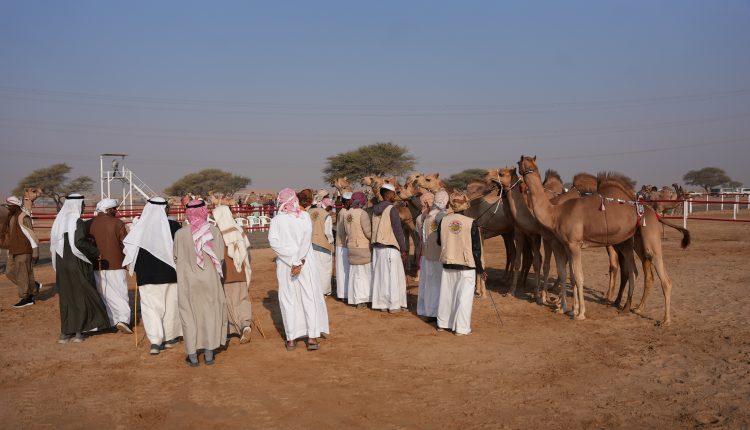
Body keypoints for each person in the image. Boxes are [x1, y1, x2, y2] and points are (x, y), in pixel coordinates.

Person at [268, 188, 329, 351]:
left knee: (288, 299)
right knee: (309, 296)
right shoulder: (303, 217)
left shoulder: (276, 221)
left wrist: (291, 260)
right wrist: (297, 261)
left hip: (285, 264)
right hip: (304, 263)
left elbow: (274, 243)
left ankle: (291, 339)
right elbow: (305, 241)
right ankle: (312, 337)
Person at [122, 197, 183, 355]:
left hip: (147, 275)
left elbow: (130, 252)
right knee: (171, 306)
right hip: (171, 274)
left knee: (151, 309)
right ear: (165, 209)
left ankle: (156, 342)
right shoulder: (174, 226)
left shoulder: (139, 228)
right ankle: (170, 338)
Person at [50, 194, 110, 343]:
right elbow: (79, 242)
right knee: (82, 295)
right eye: (82, 205)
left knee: (66, 297)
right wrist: (96, 252)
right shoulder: (76, 222)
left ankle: (65, 333)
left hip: (62, 264)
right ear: (77, 205)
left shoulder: (58, 222)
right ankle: (78, 332)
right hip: (77, 263)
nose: (83, 208)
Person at [174, 200, 228, 367]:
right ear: (205, 211)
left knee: (189, 315)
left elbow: (175, 257)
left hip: (188, 282)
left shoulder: (180, 234)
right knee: (210, 314)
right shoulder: (214, 231)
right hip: (210, 280)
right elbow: (220, 257)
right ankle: (209, 354)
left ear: (188, 214)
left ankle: (193, 356)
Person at [436, 202, 488, 336]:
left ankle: (443, 324)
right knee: (464, 298)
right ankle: (461, 328)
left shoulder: (443, 221)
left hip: (448, 263)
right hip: (466, 265)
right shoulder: (471, 222)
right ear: (465, 206)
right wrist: (480, 269)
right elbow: (476, 249)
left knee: (447, 295)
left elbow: (439, 241)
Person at [88, 198, 132, 333]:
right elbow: (125, 244)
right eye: (114, 209)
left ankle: (111, 320)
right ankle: (123, 319)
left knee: (104, 293)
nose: (116, 211)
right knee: (120, 292)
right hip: (116, 264)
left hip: (96, 264)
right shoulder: (118, 223)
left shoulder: (89, 224)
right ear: (108, 210)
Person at [212, 205, 254, 345]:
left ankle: (230, 329)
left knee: (227, 302)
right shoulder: (239, 230)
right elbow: (247, 253)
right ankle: (245, 324)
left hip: (225, 274)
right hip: (240, 272)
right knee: (242, 299)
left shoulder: (216, 233)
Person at [371, 184, 408, 313]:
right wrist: (403, 248)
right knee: (393, 277)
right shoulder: (391, 209)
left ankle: (382, 304)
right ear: (388, 194)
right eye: (393, 193)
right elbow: (398, 230)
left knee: (381, 277)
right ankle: (393, 305)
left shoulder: (375, 209)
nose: (395, 196)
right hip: (389, 247)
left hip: (377, 248)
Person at [2, 196, 40, 308]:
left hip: (24, 250)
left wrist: (35, 251)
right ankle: (33, 287)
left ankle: (26, 297)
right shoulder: (11, 217)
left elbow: (31, 234)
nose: (8, 208)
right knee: (9, 272)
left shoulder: (24, 217)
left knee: (24, 274)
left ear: (15, 206)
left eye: (9, 206)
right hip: (13, 250)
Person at [417, 191, 448, 320]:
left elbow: (421, 237)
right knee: (440, 285)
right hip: (440, 257)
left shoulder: (425, 218)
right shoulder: (445, 217)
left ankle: (429, 311)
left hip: (427, 256)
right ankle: (438, 313)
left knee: (429, 284)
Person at [344, 192, 372, 308]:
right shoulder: (362, 213)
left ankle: (355, 298)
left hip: (351, 247)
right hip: (362, 247)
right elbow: (368, 233)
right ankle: (363, 299)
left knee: (355, 274)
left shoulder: (347, 214)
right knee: (364, 274)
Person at [308, 197, 334, 296]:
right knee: (325, 270)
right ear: (327, 206)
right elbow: (328, 233)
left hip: (310, 245)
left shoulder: (308, 212)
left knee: (313, 269)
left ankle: (313, 290)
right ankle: (324, 291)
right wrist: (331, 242)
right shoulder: (326, 215)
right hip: (323, 246)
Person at [335, 192, 352, 301]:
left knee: (342, 270)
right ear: (348, 201)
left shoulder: (342, 212)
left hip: (341, 244)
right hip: (343, 244)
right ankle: (344, 294)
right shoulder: (345, 213)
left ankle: (342, 294)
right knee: (344, 270)